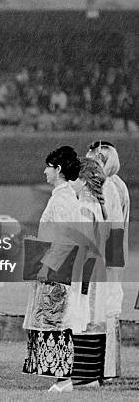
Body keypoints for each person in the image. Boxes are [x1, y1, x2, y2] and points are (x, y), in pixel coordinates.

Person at [22, 146, 80, 392]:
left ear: (58, 169)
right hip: (52, 266)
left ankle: (64, 378)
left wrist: (48, 265)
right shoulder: (59, 196)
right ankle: (60, 378)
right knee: (51, 320)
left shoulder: (64, 198)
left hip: (56, 270)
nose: (44, 171)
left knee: (56, 321)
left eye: (48, 166)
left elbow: (67, 238)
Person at [86, 140, 130, 380]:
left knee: (103, 309)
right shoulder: (116, 183)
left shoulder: (107, 186)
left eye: (89, 155)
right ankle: (107, 368)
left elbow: (111, 227)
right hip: (110, 257)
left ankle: (105, 368)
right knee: (107, 308)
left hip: (104, 258)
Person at [68, 157, 109, 388]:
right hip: (97, 272)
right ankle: (93, 374)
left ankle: (83, 377)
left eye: (74, 176)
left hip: (86, 272)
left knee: (81, 319)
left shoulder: (84, 207)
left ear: (83, 181)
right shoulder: (98, 205)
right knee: (93, 321)